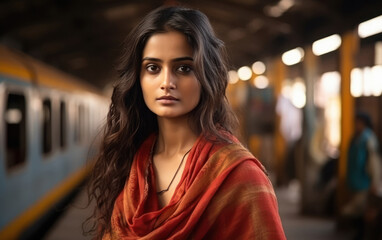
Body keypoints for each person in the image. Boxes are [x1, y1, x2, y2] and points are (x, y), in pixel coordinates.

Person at [85, 6, 286, 240]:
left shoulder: (240, 177)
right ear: (137, 78)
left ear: (206, 75)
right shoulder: (127, 163)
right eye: (153, 68)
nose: (167, 82)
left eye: (184, 68)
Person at [342, 111, 382, 239]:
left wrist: (374, 182)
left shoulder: (368, 139)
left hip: (365, 183)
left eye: (358, 122)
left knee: (360, 211)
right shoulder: (356, 138)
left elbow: (373, 163)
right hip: (356, 182)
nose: (356, 125)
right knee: (357, 212)